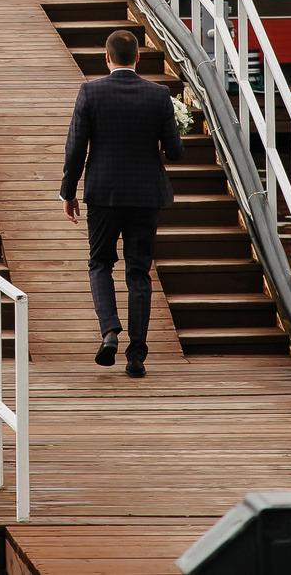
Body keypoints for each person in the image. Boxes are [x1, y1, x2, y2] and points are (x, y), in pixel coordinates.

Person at [60, 27, 182, 377]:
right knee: (138, 271)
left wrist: (68, 193)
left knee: (100, 263)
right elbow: (174, 152)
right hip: (146, 196)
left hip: (103, 194)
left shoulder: (90, 92)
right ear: (138, 58)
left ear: (107, 57)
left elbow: (75, 148)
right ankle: (137, 356)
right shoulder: (159, 95)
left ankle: (110, 331)